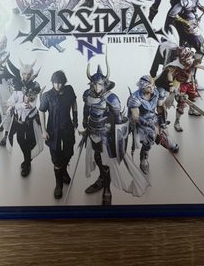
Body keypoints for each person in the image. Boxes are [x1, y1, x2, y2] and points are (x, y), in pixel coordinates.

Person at [82, 63, 148, 205]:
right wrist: (83, 120)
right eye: (94, 84)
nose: (97, 87)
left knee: (105, 163)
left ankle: (107, 190)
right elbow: (86, 108)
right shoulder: (87, 94)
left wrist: (114, 135)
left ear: (105, 84)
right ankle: (101, 179)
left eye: (100, 84)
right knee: (97, 158)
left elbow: (118, 121)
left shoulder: (112, 98)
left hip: (106, 134)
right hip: (92, 130)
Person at [155, 46, 204, 132]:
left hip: (190, 83)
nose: (189, 61)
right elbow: (169, 74)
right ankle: (177, 122)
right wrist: (171, 85)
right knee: (181, 104)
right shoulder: (176, 64)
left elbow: (199, 66)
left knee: (193, 97)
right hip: (180, 84)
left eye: (190, 58)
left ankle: (191, 110)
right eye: (187, 59)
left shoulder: (191, 61)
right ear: (182, 59)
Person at [128, 75, 178, 175]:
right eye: (148, 87)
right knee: (151, 136)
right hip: (141, 122)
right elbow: (135, 117)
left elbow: (160, 108)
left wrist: (162, 124)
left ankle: (164, 140)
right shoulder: (135, 98)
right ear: (142, 87)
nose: (152, 88)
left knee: (165, 133)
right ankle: (144, 157)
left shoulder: (155, 92)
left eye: (152, 85)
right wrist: (151, 126)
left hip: (153, 118)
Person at [39, 70, 78, 199]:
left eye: (60, 83)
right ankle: (58, 185)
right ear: (52, 82)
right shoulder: (47, 95)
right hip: (53, 129)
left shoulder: (69, 90)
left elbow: (74, 102)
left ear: (64, 82)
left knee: (68, 152)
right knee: (56, 156)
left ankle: (64, 170)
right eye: (55, 83)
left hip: (67, 127)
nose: (58, 85)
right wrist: (43, 130)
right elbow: (41, 111)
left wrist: (75, 118)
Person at [7, 83, 43, 177]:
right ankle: (28, 159)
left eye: (32, 96)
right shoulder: (18, 92)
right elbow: (9, 103)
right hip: (19, 123)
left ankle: (27, 162)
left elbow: (29, 106)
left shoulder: (34, 97)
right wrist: (12, 107)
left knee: (32, 142)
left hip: (31, 124)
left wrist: (16, 105)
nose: (29, 98)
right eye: (27, 95)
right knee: (20, 140)